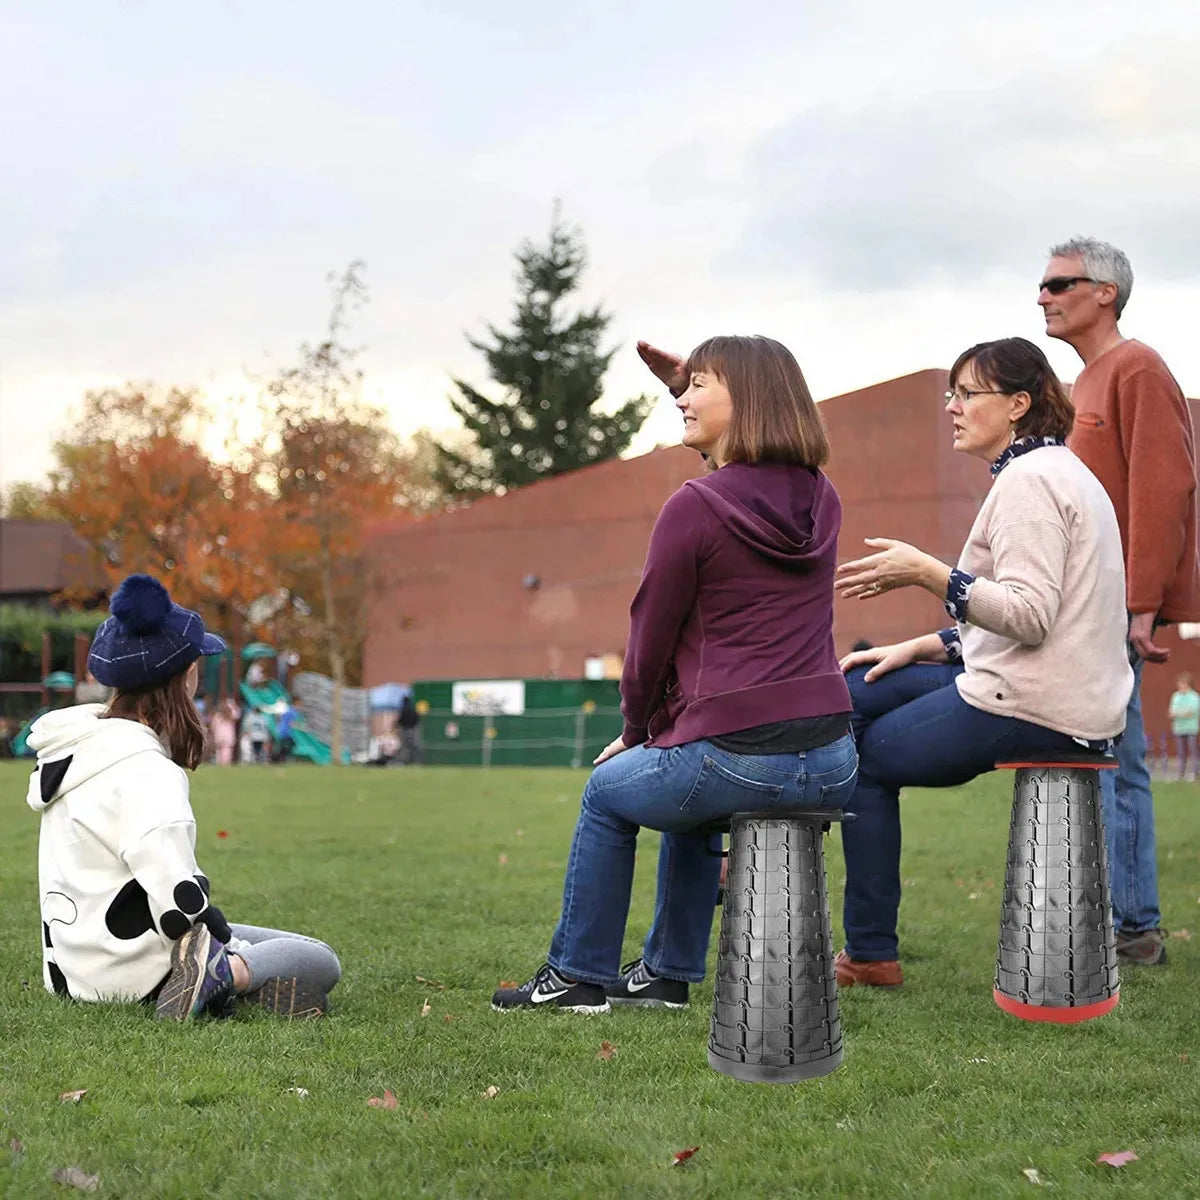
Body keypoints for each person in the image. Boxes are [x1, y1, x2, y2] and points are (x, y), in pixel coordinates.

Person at [493, 335, 859, 1014]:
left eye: (700, 386)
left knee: (608, 793)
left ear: (746, 401)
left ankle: (576, 977)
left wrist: (636, 731)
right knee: (688, 792)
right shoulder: (822, 499)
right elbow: (750, 477)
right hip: (834, 757)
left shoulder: (694, 505)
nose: (683, 399)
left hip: (742, 757)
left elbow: (649, 643)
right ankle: (664, 976)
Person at [833, 337, 1132, 987]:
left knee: (865, 756)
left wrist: (928, 572)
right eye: (952, 394)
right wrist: (921, 645)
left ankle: (869, 952)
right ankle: (859, 933)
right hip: (1050, 684)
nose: (952, 408)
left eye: (968, 395)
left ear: (1020, 405)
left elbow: (1029, 616)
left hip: (1041, 700)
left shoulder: (1031, 482)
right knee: (851, 689)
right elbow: (1039, 619)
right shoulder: (1056, 471)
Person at [26, 574, 340, 1019]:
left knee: (254, 946)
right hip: (136, 977)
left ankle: (233, 987)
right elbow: (179, 905)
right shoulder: (148, 770)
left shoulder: (76, 753)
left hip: (73, 975)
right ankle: (221, 979)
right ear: (184, 675)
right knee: (318, 958)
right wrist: (223, 945)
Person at [1042, 235, 1200, 966]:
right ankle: (1125, 921)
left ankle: (1133, 925)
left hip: (1116, 611)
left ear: (1105, 292)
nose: (1043, 297)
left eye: (1059, 284)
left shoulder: (1137, 367)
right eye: (1041, 288)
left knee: (1116, 759)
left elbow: (1163, 489)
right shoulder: (1084, 384)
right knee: (1105, 754)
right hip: (1084, 606)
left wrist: (1141, 603)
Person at [1168, 674, 1199, 781]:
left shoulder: (1194, 697)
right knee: (1181, 752)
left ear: (1187, 684)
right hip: (1178, 729)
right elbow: (1171, 713)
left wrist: (1179, 714)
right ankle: (1181, 773)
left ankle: (1194, 773)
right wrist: (1179, 714)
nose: (1179, 686)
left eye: (1181, 683)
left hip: (1191, 729)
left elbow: (1191, 712)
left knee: (1192, 751)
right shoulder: (1175, 696)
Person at [210, 699, 239, 766]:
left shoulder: (217, 716)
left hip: (218, 736)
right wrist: (234, 706)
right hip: (228, 737)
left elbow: (212, 727)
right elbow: (237, 714)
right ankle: (225, 764)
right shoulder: (231, 716)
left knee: (218, 752)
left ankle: (219, 764)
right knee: (226, 752)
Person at [398, 693, 423, 765]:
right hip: (413, 730)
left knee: (405, 747)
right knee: (414, 746)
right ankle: (416, 762)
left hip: (405, 730)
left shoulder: (403, 710)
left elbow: (400, 721)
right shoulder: (413, 709)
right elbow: (417, 719)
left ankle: (406, 762)